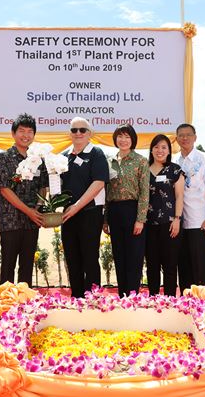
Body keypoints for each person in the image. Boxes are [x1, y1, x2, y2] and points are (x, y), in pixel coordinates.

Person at [0, 113, 45, 285]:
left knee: (27, 265)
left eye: (30, 131)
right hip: (10, 220)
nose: (26, 135)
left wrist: (37, 208)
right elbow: (4, 189)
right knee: (8, 265)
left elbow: (42, 187)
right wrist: (28, 211)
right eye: (21, 131)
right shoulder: (4, 158)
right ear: (13, 133)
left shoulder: (38, 159)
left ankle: (25, 307)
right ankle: (7, 307)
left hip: (32, 221)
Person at [60, 117, 109, 298]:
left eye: (82, 130)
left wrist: (77, 206)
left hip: (90, 213)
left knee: (89, 258)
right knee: (72, 259)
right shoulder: (63, 157)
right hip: (68, 215)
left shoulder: (96, 153)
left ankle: (93, 299)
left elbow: (98, 183)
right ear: (70, 134)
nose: (78, 133)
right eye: (74, 130)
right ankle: (77, 298)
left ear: (90, 134)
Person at [105, 124, 149, 296]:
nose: (123, 140)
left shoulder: (140, 161)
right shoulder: (109, 161)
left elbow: (145, 191)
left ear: (133, 140)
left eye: (127, 137)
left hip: (133, 210)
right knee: (119, 255)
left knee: (134, 256)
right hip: (114, 211)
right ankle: (122, 295)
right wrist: (106, 220)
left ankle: (133, 296)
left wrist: (140, 219)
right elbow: (106, 192)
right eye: (120, 136)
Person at [173, 123, 205, 291]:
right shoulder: (173, 161)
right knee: (183, 265)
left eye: (188, 135)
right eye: (181, 135)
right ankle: (186, 302)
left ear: (195, 137)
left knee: (199, 265)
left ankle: (203, 303)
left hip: (199, 221)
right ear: (176, 139)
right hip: (179, 221)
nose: (184, 138)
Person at [145, 133, 184, 297]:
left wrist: (177, 219)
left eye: (164, 147)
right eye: (156, 147)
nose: (160, 150)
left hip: (169, 224)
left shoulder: (175, 170)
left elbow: (180, 196)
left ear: (169, 150)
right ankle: (153, 301)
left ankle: (170, 301)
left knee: (169, 266)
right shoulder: (144, 169)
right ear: (151, 150)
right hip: (148, 225)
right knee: (152, 266)